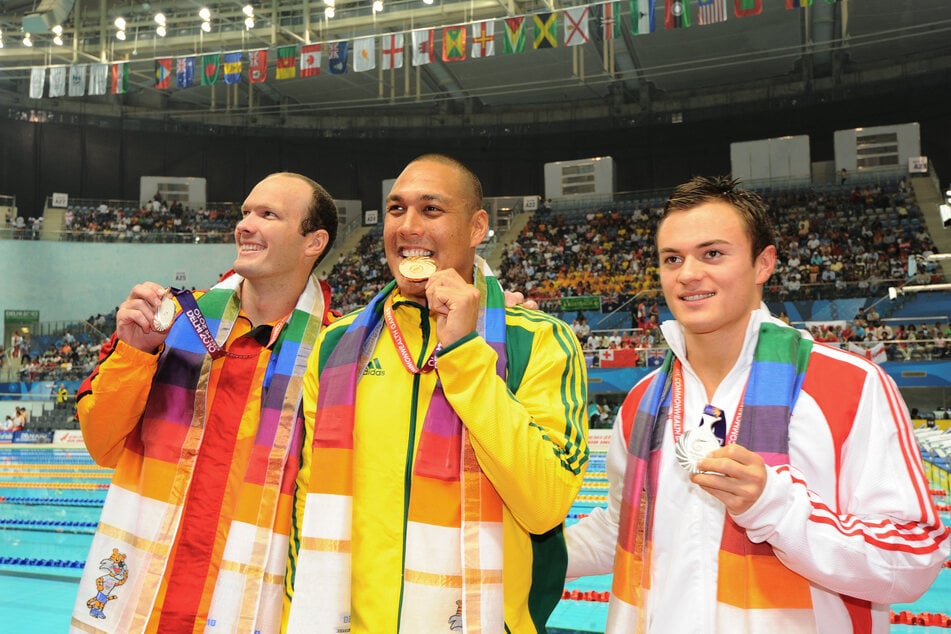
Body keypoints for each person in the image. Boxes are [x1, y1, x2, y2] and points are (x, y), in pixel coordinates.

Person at [565, 176, 950, 633]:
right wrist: (516, 549)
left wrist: (776, 505)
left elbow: (913, 556)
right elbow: (622, 527)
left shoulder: (849, 385)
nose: (688, 273)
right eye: (672, 259)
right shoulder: (641, 401)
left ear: (763, 262)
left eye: (712, 254)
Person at [285, 154, 589, 633]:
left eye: (431, 210)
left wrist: (466, 353)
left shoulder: (539, 340)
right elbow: (307, 500)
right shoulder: (337, 346)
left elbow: (544, 502)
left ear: (476, 228)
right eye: (395, 209)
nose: (407, 227)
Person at [69, 172, 339, 633]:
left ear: (313, 241)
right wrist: (135, 352)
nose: (246, 225)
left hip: (253, 604)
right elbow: (102, 445)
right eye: (245, 213)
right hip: (145, 604)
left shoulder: (335, 352)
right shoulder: (173, 323)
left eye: (268, 215)